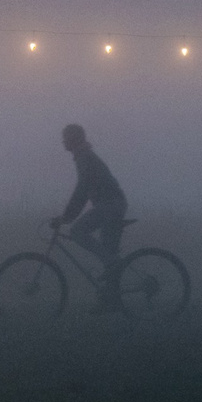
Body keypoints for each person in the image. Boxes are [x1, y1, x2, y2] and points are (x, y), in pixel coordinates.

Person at [52, 122, 128, 301]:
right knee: (110, 255)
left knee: (77, 232)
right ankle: (111, 300)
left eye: (65, 137)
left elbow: (82, 189)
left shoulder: (84, 157)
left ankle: (112, 263)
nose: (63, 141)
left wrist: (67, 217)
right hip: (114, 205)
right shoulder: (84, 156)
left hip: (110, 205)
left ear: (73, 139)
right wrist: (68, 215)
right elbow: (84, 191)